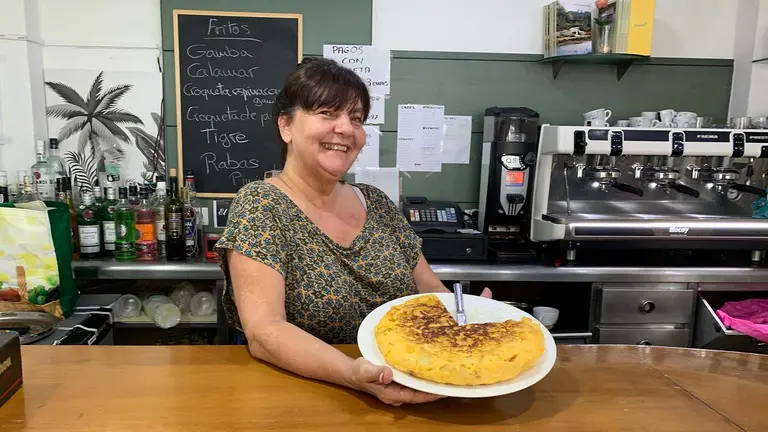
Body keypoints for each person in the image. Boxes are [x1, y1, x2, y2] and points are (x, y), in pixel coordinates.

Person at [215, 57, 491, 406]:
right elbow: (265, 331)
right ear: (286, 125)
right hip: (310, 399)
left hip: (409, 389)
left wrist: (465, 316)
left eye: (356, 118)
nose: (346, 128)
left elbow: (431, 292)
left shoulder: (376, 203)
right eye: (327, 113)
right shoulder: (261, 205)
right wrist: (352, 374)